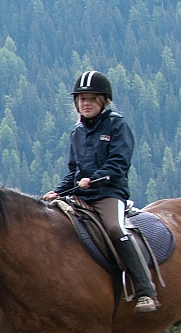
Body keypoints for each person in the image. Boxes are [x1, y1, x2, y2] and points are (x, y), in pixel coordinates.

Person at [43, 71, 158, 314]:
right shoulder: (77, 133)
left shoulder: (117, 125)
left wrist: (93, 179)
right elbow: (73, 171)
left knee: (116, 229)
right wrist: (58, 191)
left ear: (104, 100)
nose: (85, 104)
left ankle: (145, 290)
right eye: (81, 99)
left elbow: (119, 164)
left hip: (108, 194)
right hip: (80, 197)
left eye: (92, 99)